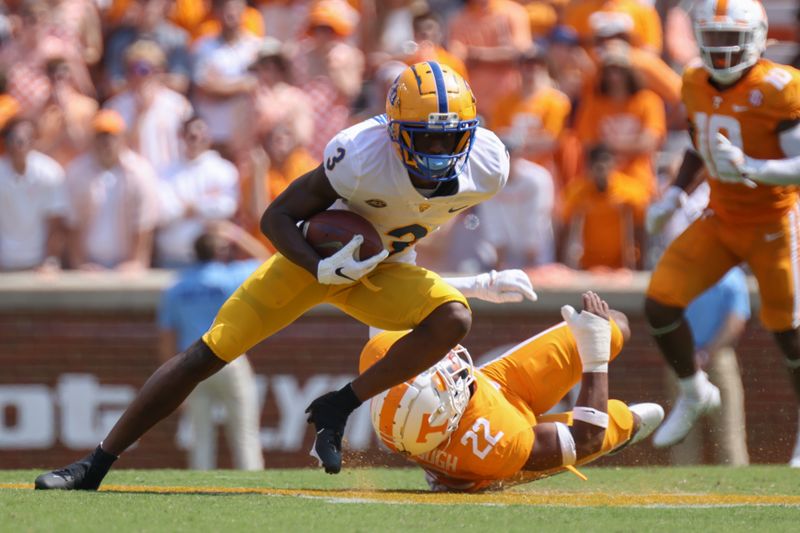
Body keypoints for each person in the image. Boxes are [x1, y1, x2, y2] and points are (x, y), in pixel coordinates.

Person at [34, 61, 535, 490]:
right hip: (311, 263)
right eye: (425, 136)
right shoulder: (360, 156)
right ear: (393, 129)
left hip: (383, 271)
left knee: (452, 318)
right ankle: (94, 465)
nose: (438, 151)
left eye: (450, 137)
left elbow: (405, 234)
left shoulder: (488, 166)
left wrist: (472, 283)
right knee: (207, 354)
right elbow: (275, 216)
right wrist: (319, 266)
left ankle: (338, 406)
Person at [643, 0, 800, 466]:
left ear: (757, 37)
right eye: (712, 38)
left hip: (773, 222)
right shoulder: (692, 80)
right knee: (660, 302)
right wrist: (673, 194)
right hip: (721, 217)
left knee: (788, 331)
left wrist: (752, 167)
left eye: (731, 38)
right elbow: (698, 144)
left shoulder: (779, 87)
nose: (723, 50)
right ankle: (694, 390)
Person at [363, 291, 665, 492]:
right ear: (451, 408)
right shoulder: (498, 445)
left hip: (490, 392)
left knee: (615, 327)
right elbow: (587, 438)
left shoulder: (381, 361)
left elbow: (402, 297)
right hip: (497, 440)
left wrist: (480, 284)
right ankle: (625, 426)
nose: (451, 359)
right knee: (623, 419)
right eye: (449, 374)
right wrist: (594, 355)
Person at [158, 225, 269, 471]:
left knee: (200, 434)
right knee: (245, 433)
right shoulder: (231, 277)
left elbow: (166, 337)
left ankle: (199, 489)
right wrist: (237, 234)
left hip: (191, 362)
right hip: (229, 359)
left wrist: (171, 379)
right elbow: (267, 261)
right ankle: (253, 486)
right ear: (220, 251)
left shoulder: (177, 287)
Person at [64, 109, 160, 271]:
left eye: (112, 136)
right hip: (89, 264)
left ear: (122, 138)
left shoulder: (140, 171)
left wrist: (136, 263)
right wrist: (79, 264)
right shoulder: (76, 171)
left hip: (127, 265)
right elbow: (72, 223)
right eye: (101, 136)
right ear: (92, 139)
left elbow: (145, 223)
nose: (106, 142)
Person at [0, 118, 68, 271]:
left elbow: (56, 224)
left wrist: (49, 261)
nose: (19, 144)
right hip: (3, 264)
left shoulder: (51, 173)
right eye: (14, 138)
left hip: (39, 265)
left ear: (34, 140)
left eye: (25, 138)